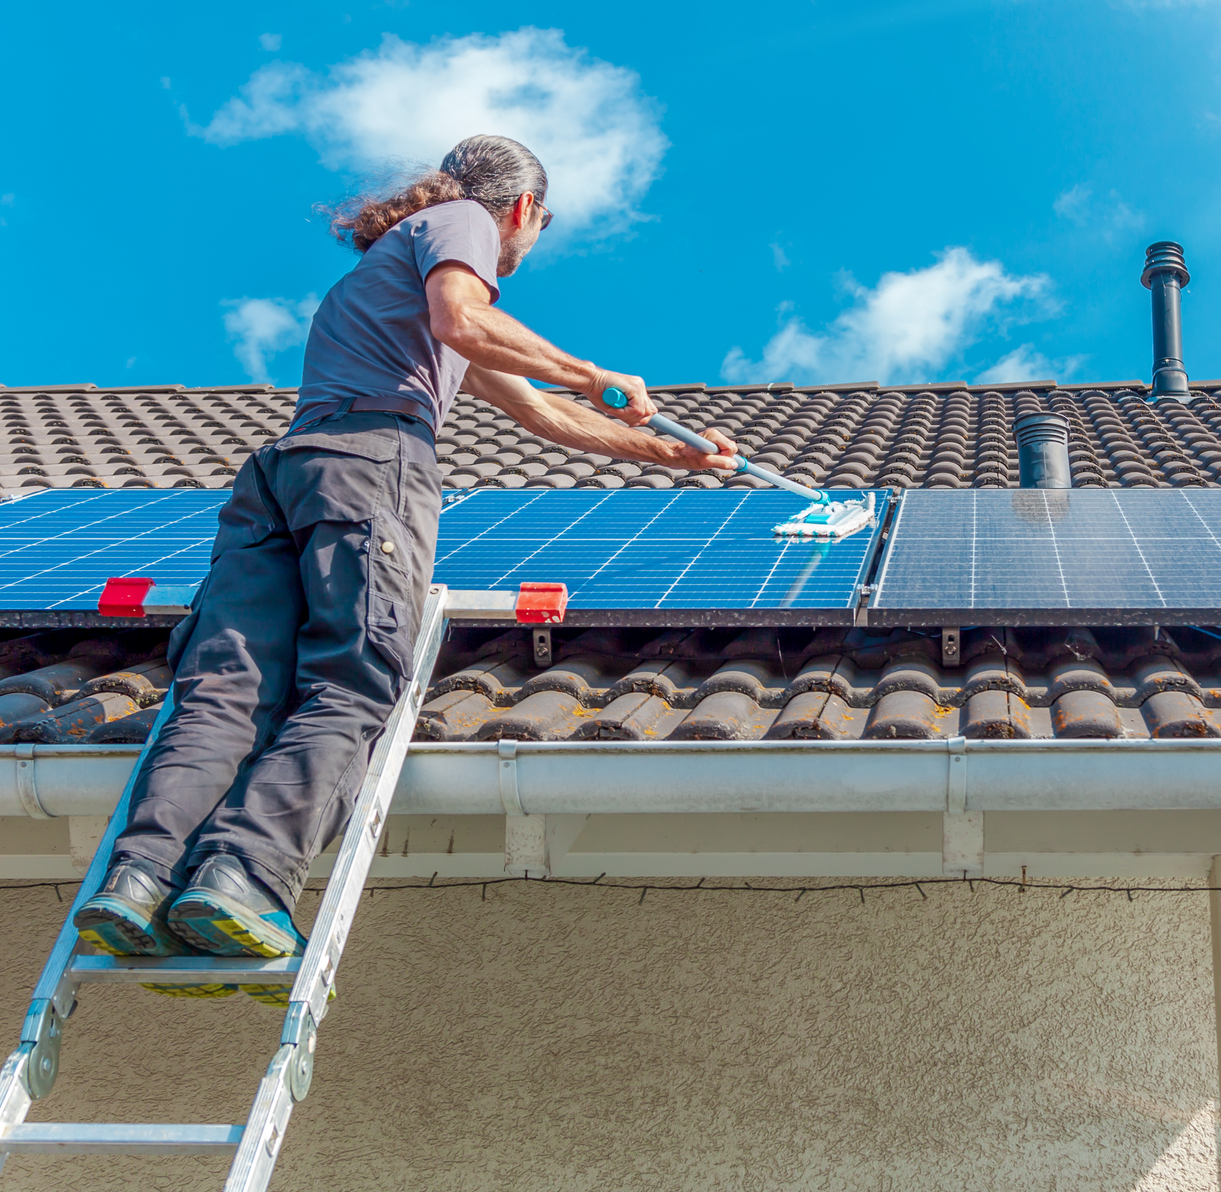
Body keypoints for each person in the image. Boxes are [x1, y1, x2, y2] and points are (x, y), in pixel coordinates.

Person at [75, 134, 736, 999]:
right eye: (533, 230)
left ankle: (141, 881)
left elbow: (536, 413)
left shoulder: (388, 273)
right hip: (370, 463)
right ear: (523, 210)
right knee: (353, 679)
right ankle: (242, 876)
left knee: (230, 687)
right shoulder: (459, 224)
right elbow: (470, 321)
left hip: (286, 473)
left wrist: (666, 455)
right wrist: (593, 371)